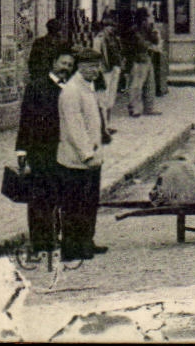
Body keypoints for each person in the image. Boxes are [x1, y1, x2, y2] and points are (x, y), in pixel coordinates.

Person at [15, 49, 73, 264]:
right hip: (40, 150)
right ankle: (40, 241)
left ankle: (55, 237)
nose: (65, 67)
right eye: (63, 62)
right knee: (39, 197)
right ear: (53, 62)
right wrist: (22, 150)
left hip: (62, 151)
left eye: (69, 64)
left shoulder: (70, 88)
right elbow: (26, 119)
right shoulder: (37, 86)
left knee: (59, 195)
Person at [57, 48, 109, 261]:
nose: (95, 70)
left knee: (89, 202)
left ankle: (86, 241)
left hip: (91, 156)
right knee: (74, 204)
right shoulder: (71, 91)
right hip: (75, 159)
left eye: (97, 66)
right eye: (90, 66)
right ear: (79, 67)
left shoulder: (88, 87)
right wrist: (87, 154)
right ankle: (71, 248)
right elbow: (74, 127)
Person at [123, 10, 157, 117]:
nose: (150, 18)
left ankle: (148, 107)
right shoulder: (135, 30)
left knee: (150, 84)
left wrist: (153, 29)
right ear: (144, 18)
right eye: (149, 17)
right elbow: (141, 44)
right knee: (136, 86)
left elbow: (155, 40)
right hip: (138, 60)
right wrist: (149, 44)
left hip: (146, 58)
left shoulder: (147, 28)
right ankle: (134, 108)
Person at [91, 19, 123, 127]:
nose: (112, 28)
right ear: (104, 27)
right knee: (103, 99)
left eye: (113, 26)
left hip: (114, 69)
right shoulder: (99, 39)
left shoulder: (114, 38)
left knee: (111, 98)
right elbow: (96, 55)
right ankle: (103, 126)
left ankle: (107, 125)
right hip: (105, 71)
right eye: (109, 26)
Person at [27, 19, 69, 83]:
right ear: (58, 31)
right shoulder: (61, 44)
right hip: (50, 80)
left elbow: (31, 64)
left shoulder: (38, 42)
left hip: (41, 79)